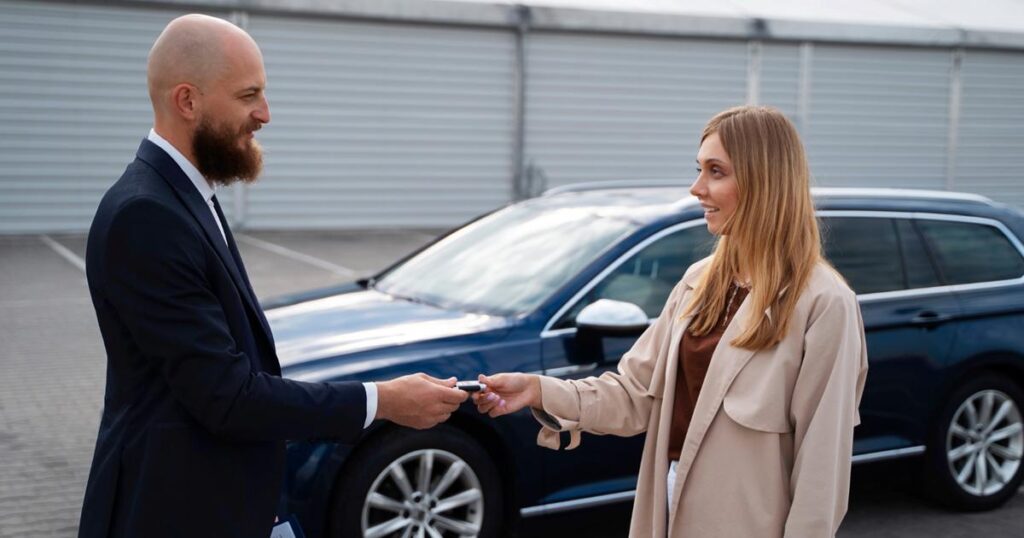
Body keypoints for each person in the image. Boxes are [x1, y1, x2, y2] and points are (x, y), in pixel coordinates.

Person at [79, 14, 467, 538]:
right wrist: (383, 400)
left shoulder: (184, 196)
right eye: (248, 96)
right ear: (188, 101)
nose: (265, 114)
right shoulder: (145, 215)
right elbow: (228, 398)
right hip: (174, 510)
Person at [474, 106, 869, 537]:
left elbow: (822, 471)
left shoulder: (825, 302)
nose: (696, 188)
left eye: (716, 172)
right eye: (699, 169)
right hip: (667, 506)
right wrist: (537, 390)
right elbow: (635, 394)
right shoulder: (698, 282)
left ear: (764, 181)